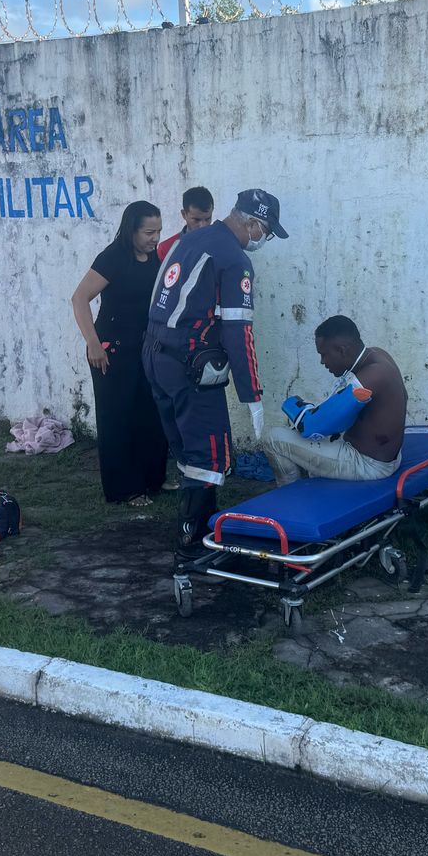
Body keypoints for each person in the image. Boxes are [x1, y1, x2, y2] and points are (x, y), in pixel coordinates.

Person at [143, 189, 288, 572]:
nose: (264, 239)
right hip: (190, 365)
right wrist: (252, 394)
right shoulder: (233, 259)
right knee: (211, 456)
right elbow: (238, 332)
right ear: (254, 223)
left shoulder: (187, 241)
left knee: (186, 450)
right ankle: (193, 545)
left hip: (154, 354)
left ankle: (197, 525)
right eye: (266, 231)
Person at [71, 201, 170, 505]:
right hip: (110, 351)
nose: (155, 238)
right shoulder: (113, 257)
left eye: (158, 231)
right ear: (132, 230)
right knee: (118, 418)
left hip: (144, 349)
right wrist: (92, 343)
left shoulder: (156, 258)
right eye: (149, 232)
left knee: (149, 415)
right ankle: (123, 489)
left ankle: (153, 481)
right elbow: (79, 299)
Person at [266, 316, 405, 486]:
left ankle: (289, 497)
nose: (322, 361)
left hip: (367, 465)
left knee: (273, 438)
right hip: (384, 457)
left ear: (342, 350)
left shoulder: (372, 376)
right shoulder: (378, 355)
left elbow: (313, 426)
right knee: (306, 429)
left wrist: (299, 412)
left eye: (324, 354)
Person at [155, 186, 214, 263]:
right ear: (184, 214)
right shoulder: (166, 249)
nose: (203, 226)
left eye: (207, 219)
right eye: (196, 220)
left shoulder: (221, 243)